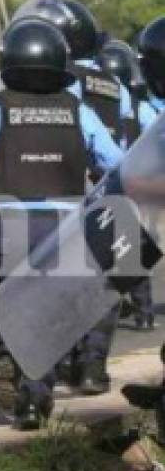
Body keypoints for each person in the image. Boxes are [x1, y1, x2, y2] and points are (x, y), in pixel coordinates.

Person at [0, 19, 123, 429]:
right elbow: (114, 164)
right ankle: (35, 400)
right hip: (66, 226)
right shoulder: (80, 111)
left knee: (6, 301)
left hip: (8, 221)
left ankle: (5, 355)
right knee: (51, 315)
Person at [15, 0, 132, 392]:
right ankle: (93, 366)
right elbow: (125, 138)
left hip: (63, 185)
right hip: (111, 186)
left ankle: (59, 362)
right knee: (103, 279)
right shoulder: (114, 84)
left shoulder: (55, 80)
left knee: (56, 280)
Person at [100, 37, 155, 331]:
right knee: (133, 249)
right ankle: (144, 313)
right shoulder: (139, 106)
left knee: (110, 252)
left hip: (112, 181)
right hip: (139, 183)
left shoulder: (96, 98)